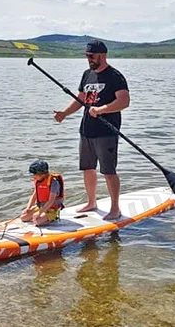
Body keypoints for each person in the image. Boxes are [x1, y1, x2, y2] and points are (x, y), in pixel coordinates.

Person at [53, 40, 130, 220]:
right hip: (86, 130)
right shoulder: (87, 74)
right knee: (88, 168)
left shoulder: (114, 76)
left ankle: (115, 209)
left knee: (108, 171)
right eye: (87, 56)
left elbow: (124, 101)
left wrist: (101, 109)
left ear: (102, 55)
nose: (88, 59)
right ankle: (91, 202)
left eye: (91, 56)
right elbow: (80, 99)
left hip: (106, 132)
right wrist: (65, 113)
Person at [21, 160, 65, 226]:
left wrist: (39, 213)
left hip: (52, 209)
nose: (33, 176)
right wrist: (28, 207)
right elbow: (34, 196)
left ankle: (53, 218)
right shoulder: (38, 181)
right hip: (41, 207)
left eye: (35, 174)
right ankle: (41, 216)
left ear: (43, 174)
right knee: (23, 217)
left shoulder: (53, 182)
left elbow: (51, 200)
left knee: (37, 221)